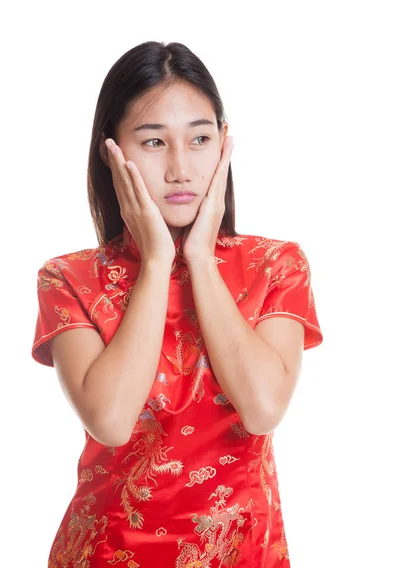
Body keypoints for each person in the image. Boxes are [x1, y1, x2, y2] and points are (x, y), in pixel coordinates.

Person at [31, 41, 324, 568]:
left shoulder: (275, 264)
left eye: (200, 139)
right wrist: (155, 265)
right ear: (111, 152)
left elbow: (262, 409)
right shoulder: (69, 277)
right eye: (153, 142)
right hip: (107, 552)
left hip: (241, 553)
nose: (180, 168)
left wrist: (203, 261)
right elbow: (112, 421)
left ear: (224, 145)